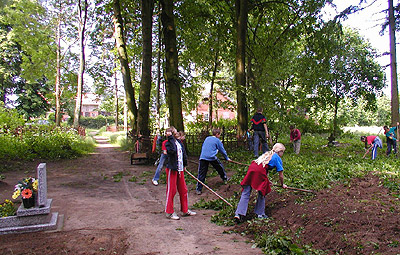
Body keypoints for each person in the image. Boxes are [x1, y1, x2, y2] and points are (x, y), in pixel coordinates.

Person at [234, 143, 287, 222]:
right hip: (259, 171)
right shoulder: (277, 157)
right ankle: (260, 214)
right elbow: (281, 175)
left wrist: (267, 180)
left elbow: (263, 167)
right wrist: (282, 184)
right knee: (262, 190)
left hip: (252, 168)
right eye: (283, 152)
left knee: (246, 191)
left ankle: (238, 214)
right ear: (280, 151)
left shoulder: (267, 154)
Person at [164, 128, 196, 220]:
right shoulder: (168, 143)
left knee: (183, 189)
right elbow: (173, 150)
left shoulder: (179, 142)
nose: (177, 132)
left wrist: (184, 165)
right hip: (172, 169)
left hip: (180, 169)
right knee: (172, 190)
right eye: (175, 131)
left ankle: (185, 210)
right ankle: (169, 212)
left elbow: (183, 153)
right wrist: (170, 138)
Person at [196, 128, 231, 195]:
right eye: (219, 134)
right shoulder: (217, 140)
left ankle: (198, 189)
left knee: (201, 173)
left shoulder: (207, 138)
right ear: (217, 134)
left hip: (203, 157)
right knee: (219, 167)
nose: (219, 136)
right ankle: (224, 178)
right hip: (211, 157)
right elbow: (222, 150)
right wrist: (227, 158)